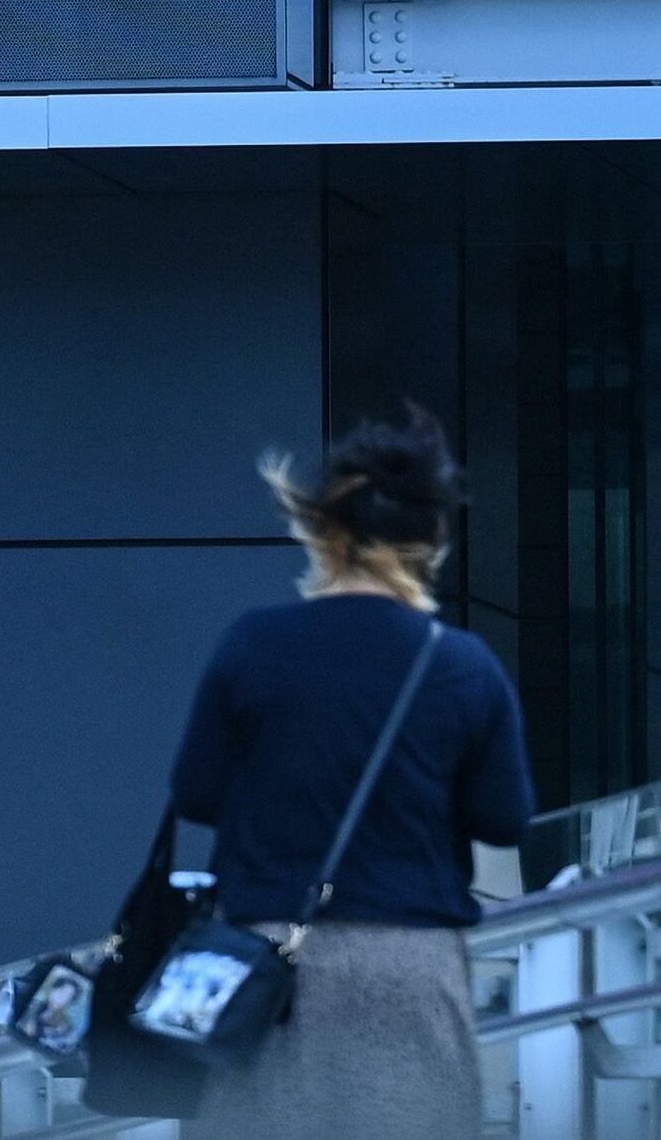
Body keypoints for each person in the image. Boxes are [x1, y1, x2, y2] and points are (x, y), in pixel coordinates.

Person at [161, 407, 534, 1140]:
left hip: (262, 967)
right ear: (434, 540)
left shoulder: (254, 643)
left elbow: (195, 794)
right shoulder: (461, 664)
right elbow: (504, 818)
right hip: (408, 965)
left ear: (322, 530)